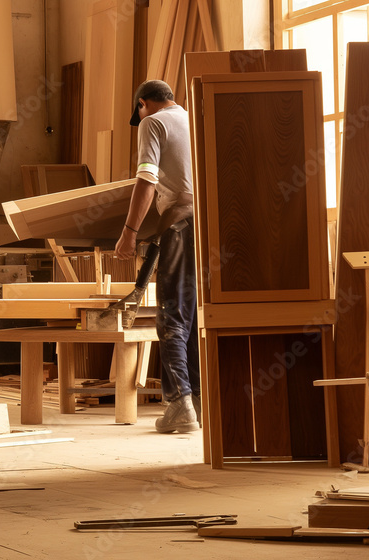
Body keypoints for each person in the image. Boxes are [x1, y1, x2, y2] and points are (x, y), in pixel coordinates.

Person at [115, 80, 201, 434]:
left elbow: (147, 180)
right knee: (193, 317)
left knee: (171, 316)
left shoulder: (153, 122)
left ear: (143, 104)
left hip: (180, 224)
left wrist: (129, 232)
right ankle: (198, 403)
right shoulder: (193, 118)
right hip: (206, 224)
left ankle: (180, 404)